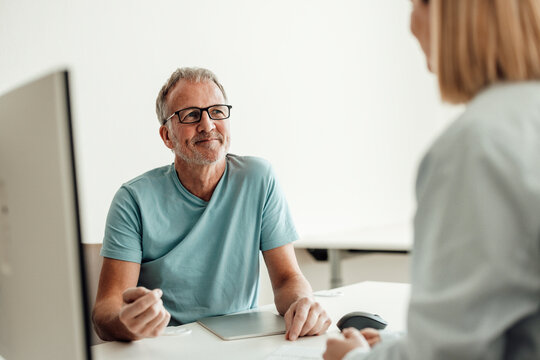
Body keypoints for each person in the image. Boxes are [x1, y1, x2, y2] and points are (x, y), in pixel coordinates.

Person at [324, 0, 540, 359]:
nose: (411, 24)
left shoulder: (477, 145)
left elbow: (447, 354)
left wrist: (352, 357)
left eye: (418, 4)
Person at [92, 67, 331, 341]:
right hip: (166, 344)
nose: (207, 125)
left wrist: (302, 304)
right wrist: (126, 323)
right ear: (167, 136)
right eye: (191, 115)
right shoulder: (133, 199)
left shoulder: (258, 179)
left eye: (216, 111)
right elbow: (105, 310)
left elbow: (288, 279)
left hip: (240, 343)